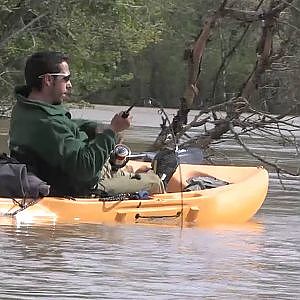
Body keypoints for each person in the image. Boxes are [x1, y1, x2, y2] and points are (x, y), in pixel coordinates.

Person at [9, 51, 164, 197]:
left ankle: (136, 172)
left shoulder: (25, 108)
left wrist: (97, 129)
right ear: (48, 80)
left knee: (121, 168)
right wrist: (112, 131)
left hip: (60, 173)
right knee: (155, 183)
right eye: (66, 79)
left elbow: (68, 125)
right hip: (80, 187)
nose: (70, 85)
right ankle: (156, 178)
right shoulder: (49, 123)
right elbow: (85, 168)